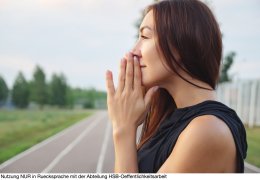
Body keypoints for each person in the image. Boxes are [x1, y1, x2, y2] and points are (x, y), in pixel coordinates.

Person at [105, 0, 247, 173]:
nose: (133, 51)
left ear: (180, 44)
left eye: (145, 37)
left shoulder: (207, 130)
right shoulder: (172, 118)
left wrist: (123, 129)